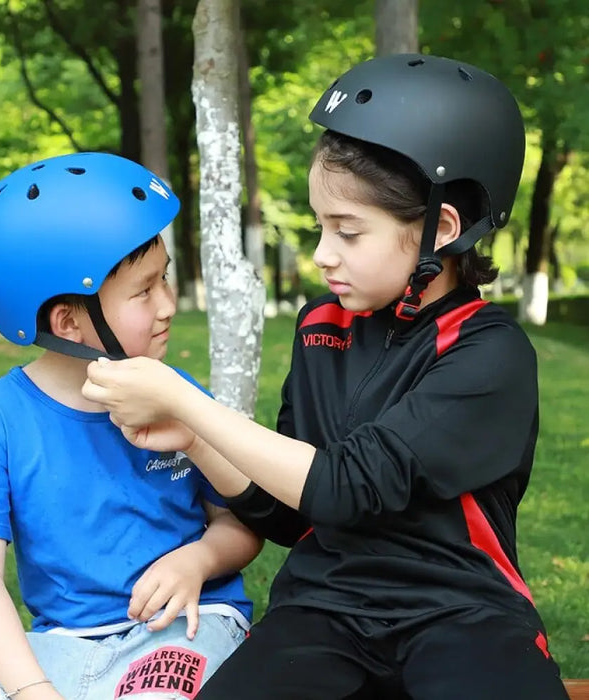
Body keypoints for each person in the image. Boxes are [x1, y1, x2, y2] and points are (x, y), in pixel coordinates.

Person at [81, 54, 571, 700]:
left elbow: (347, 486)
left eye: (348, 231)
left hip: (463, 612)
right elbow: (290, 514)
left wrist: (187, 402)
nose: (322, 254)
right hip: (323, 610)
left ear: (440, 229)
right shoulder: (322, 325)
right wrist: (194, 438)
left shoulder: (490, 353)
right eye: (320, 226)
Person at [0, 152, 262, 700]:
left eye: (165, 280)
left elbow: (243, 522)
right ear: (68, 323)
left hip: (181, 627)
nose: (167, 304)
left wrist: (200, 559)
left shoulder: (175, 393)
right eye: (144, 290)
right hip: (63, 644)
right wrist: (31, 689)